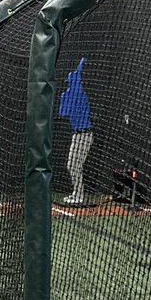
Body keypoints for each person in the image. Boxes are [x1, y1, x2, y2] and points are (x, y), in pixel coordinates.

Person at [58, 56, 93, 205]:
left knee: (74, 165)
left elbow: (78, 75)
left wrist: (82, 63)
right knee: (72, 165)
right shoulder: (68, 95)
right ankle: (77, 193)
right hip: (77, 135)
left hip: (85, 134)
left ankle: (79, 195)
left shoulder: (80, 93)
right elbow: (62, 113)